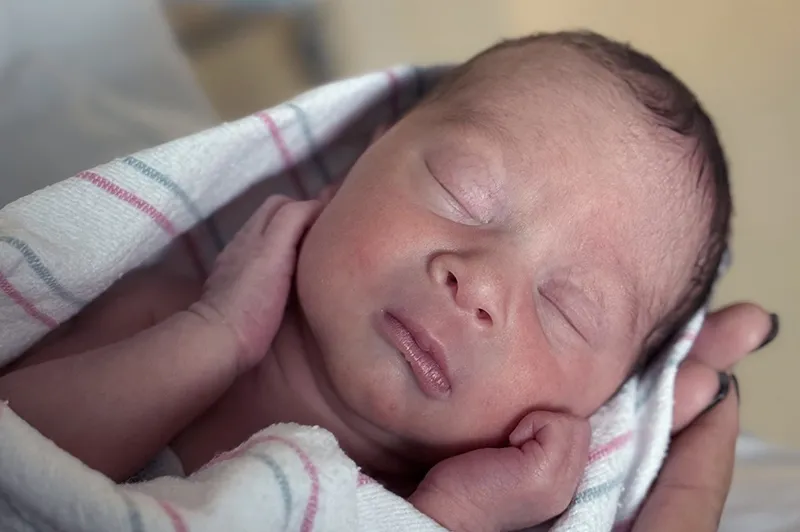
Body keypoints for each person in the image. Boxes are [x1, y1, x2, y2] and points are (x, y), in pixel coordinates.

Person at [0, 31, 780, 531]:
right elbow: (20, 457)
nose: (480, 287)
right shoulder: (160, 314)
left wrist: (450, 519)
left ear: (604, 401)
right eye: (462, 192)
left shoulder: (482, 510)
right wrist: (213, 340)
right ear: (361, 155)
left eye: (566, 309)